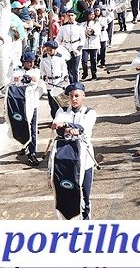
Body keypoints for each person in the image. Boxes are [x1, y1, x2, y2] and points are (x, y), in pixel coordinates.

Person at [50, 82, 97, 219]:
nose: (74, 99)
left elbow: (83, 129)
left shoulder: (90, 112)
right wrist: (65, 127)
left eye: (77, 96)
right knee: (65, 193)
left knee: (84, 194)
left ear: (83, 96)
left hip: (85, 160)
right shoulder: (62, 111)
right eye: (71, 96)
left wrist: (66, 125)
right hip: (65, 159)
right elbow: (56, 126)